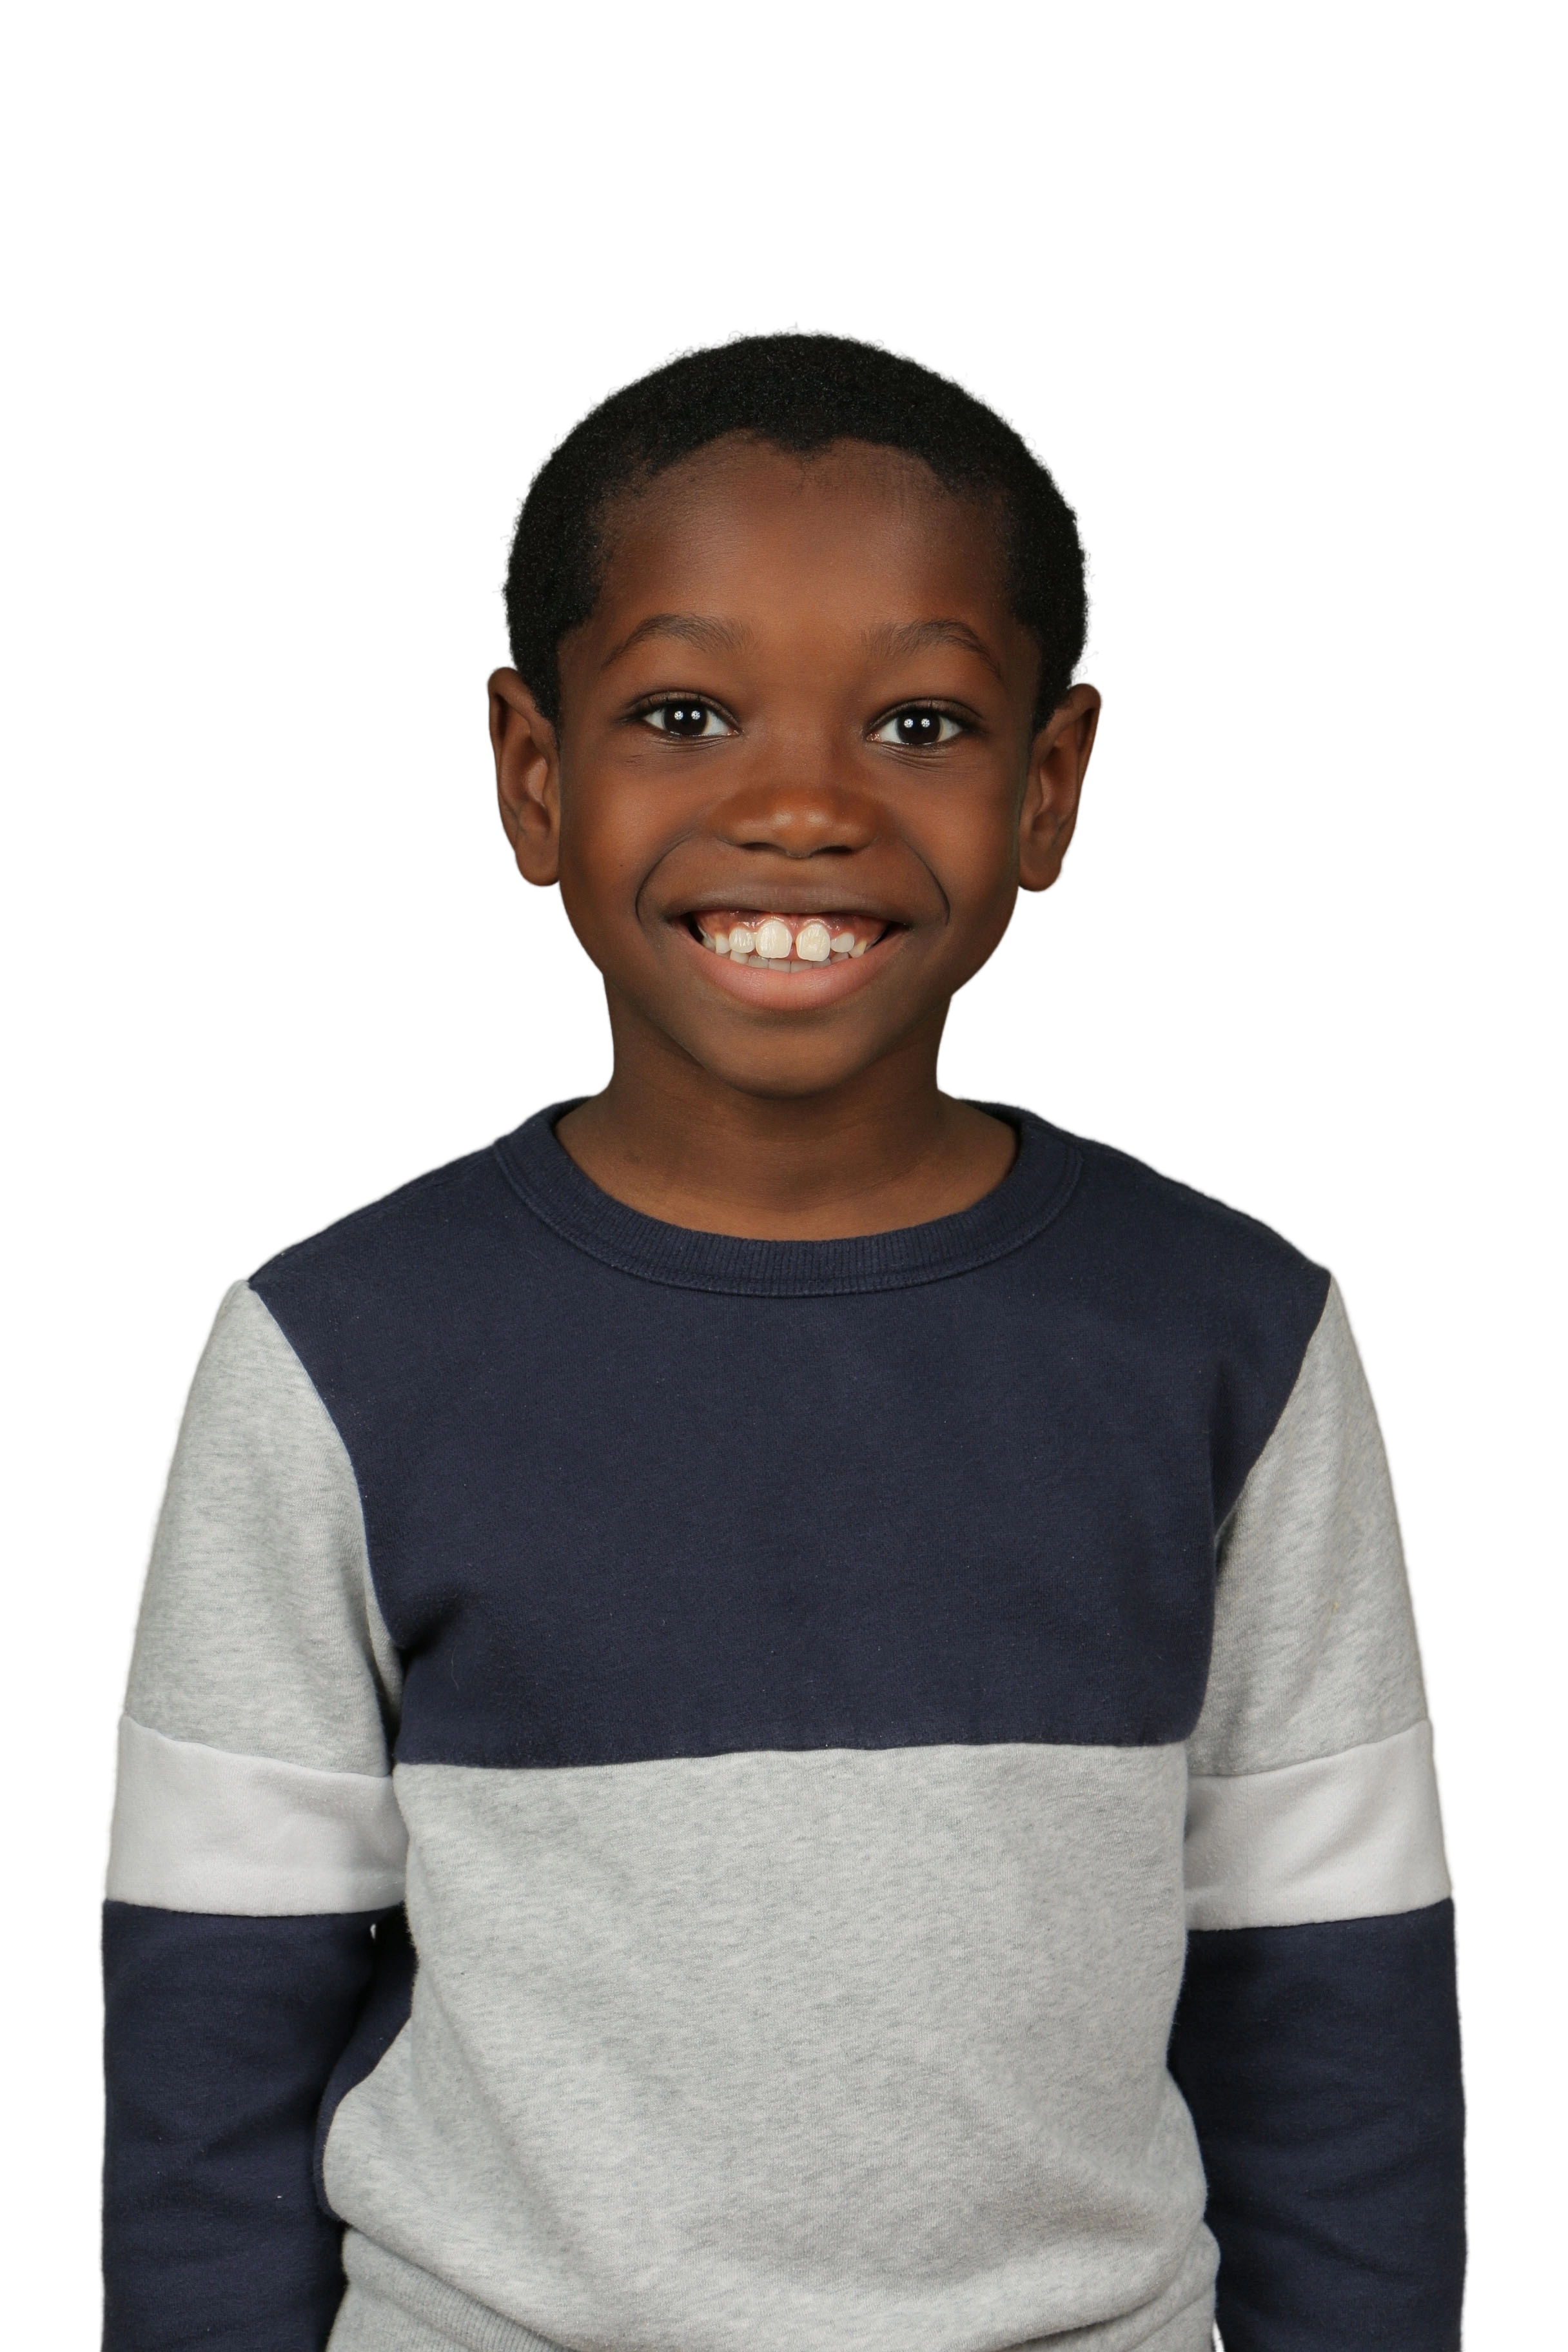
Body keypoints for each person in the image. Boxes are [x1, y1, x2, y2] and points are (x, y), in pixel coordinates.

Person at [98, 324, 1467, 2352]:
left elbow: (1336, 2013)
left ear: (1053, 785)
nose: (805, 805)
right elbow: (208, 2039)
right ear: (533, 774)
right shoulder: (328, 1353)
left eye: (920, 723)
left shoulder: (1239, 1340)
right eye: (684, 712)